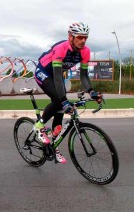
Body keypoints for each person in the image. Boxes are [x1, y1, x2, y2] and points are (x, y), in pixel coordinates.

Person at [34, 22, 103, 163]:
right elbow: (58, 78)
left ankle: (54, 145)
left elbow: (84, 76)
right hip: (44, 72)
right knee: (59, 100)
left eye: (85, 37)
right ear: (70, 36)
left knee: (60, 110)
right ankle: (39, 126)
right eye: (79, 37)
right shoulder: (61, 48)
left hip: (56, 76)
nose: (83, 40)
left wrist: (92, 92)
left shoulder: (85, 51)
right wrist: (64, 101)